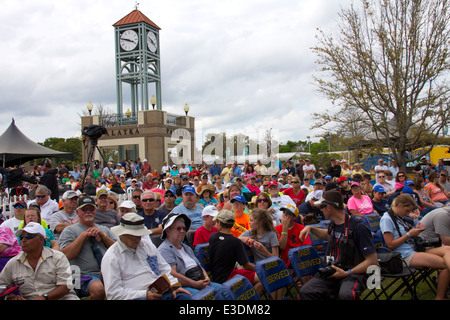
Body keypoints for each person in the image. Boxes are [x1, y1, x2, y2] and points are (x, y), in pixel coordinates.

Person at [298, 191, 377, 300]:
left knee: (347, 295)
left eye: (322, 207)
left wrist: (346, 273)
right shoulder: (334, 223)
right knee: (306, 291)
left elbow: (372, 261)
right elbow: (329, 235)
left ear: (329, 208)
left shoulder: (358, 228)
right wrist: (311, 229)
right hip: (333, 269)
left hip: (353, 272)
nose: (321, 210)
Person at [100, 212, 192, 300]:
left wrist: (174, 286)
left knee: (185, 298)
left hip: (160, 290)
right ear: (122, 234)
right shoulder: (111, 256)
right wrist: (145, 295)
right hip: (135, 297)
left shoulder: (146, 245)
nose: (138, 239)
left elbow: (164, 268)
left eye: (140, 235)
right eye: (134, 236)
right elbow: (113, 294)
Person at [379, 194, 450, 300]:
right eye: (407, 210)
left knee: (448, 249)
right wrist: (409, 234)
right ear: (400, 205)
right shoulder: (387, 219)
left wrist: (415, 231)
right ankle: (440, 297)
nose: (408, 213)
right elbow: (390, 244)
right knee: (444, 265)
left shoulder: (398, 217)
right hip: (404, 255)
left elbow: (406, 236)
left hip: (414, 249)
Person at [0, 222, 79, 300]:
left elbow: (65, 286)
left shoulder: (58, 257)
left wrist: (44, 297)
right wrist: (12, 296)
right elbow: (1, 286)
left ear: (41, 239)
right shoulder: (14, 262)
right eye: (21, 237)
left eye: (29, 236)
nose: (23, 240)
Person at [59, 196, 116, 300]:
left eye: (91, 209)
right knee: (98, 289)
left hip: (108, 273)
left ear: (95, 210)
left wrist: (103, 236)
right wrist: (83, 236)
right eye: (84, 209)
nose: (88, 212)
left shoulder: (104, 229)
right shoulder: (70, 230)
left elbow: (118, 250)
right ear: (77, 211)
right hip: (82, 276)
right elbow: (66, 255)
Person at [158, 213, 222, 295]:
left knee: (223, 289)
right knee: (208, 295)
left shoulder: (186, 247)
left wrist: (206, 277)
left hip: (199, 279)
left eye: (184, 228)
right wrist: (194, 284)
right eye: (178, 229)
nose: (182, 231)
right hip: (185, 285)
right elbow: (173, 274)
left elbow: (198, 265)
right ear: (168, 231)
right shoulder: (164, 250)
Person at [208, 210, 263, 294]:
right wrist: (261, 270)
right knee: (262, 278)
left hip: (217, 276)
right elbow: (246, 265)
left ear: (219, 223)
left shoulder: (213, 237)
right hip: (229, 276)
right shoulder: (235, 242)